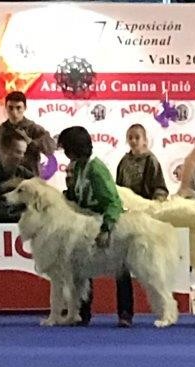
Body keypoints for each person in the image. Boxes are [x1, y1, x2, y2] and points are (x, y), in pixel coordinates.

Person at [59, 126, 132, 327]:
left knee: (120, 267)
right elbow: (78, 196)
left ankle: (125, 313)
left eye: (66, 148)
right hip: (87, 223)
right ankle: (83, 312)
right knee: (82, 268)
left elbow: (113, 202)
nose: (65, 153)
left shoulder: (97, 169)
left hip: (109, 221)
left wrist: (107, 229)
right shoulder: (78, 168)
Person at [115, 123, 169, 326]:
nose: (134, 141)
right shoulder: (123, 162)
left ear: (145, 139)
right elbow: (118, 189)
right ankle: (125, 313)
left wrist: (154, 205)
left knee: (150, 268)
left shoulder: (151, 160)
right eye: (130, 137)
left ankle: (164, 309)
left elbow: (160, 188)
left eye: (137, 137)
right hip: (126, 219)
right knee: (121, 266)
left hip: (146, 219)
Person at [0, 91, 56, 174]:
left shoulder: (34, 129)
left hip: (30, 181)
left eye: (18, 108)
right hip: (5, 182)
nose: (14, 112)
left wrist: (31, 142)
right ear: (6, 108)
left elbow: (50, 148)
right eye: (10, 108)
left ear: (25, 108)